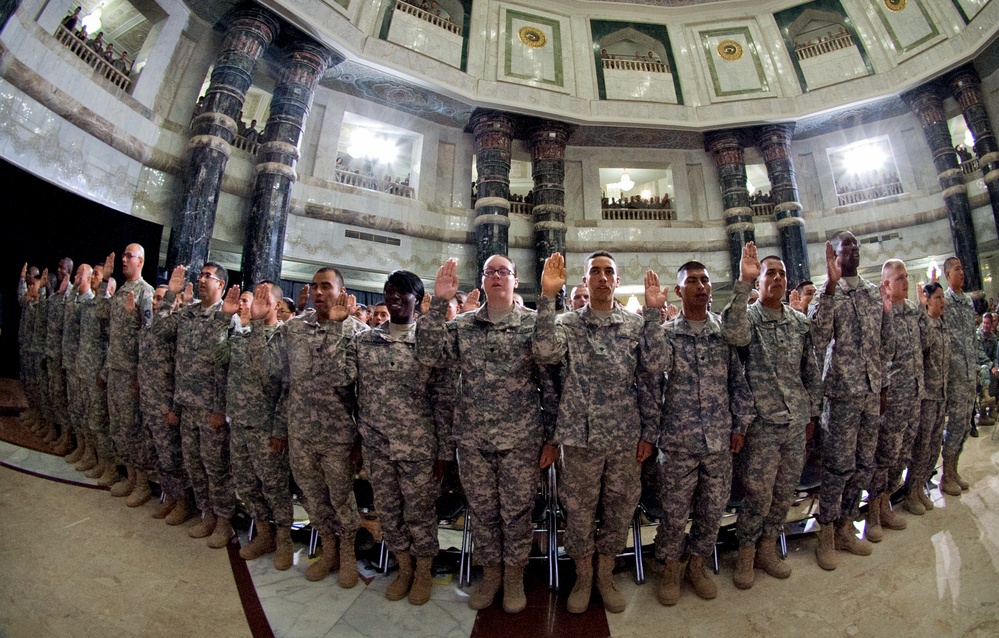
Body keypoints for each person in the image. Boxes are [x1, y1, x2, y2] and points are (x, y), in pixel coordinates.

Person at [417, 256, 552, 614]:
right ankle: (491, 573)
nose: (496, 277)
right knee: (483, 512)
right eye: (490, 272)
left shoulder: (533, 324)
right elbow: (429, 355)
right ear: (482, 280)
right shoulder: (463, 326)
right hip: (473, 439)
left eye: (503, 272)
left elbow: (548, 384)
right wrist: (441, 303)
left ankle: (513, 577)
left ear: (515, 281)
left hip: (521, 439)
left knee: (516, 513)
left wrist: (552, 437)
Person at [533, 251, 658, 614]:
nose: (602, 278)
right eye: (595, 272)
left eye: (609, 272)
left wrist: (649, 432)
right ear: (585, 281)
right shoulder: (567, 323)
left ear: (617, 281)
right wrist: (545, 297)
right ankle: (584, 576)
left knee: (620, 510)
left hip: (624, 439)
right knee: (579, 513)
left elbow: (650, 379)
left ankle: (605, 574)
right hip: (580, 439)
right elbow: (544, 353)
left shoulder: (634, 327)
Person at [641, 244, 755, 606]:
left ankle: (697, 565)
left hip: (719, 439)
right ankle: (671, 568)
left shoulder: (723, 332)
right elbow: (655, 367)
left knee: (712, 510)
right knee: (675, 513)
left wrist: (740, 424)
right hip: (678, 443)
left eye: (705, 280)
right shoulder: (669, 333)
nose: (701, 286)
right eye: (692, 281)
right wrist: (651, 314)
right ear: (679, 291)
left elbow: (737, 380)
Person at [325, 271, 447, 605]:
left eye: (403, 293)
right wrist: (338, 327)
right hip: (377, 446)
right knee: (390, 514)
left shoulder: (429, 339)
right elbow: (339, 377)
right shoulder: (366, 340)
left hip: (418, 447)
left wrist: (444, 451)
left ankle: (423, 572)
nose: (394, 298)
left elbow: (444, 397)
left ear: (418, 300)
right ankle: (404, 569)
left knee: (419, 514)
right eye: (389, 292)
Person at [259, 267, 369, 586]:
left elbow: (362, 394)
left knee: (341, 499)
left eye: (327, 286)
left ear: (342, 293)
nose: (319, 292)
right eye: (314, 286)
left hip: (338, 438)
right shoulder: (294, 329)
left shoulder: (358, 333)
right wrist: (280, 428)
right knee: (312, 498)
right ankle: (329, 550)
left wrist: (361, 441)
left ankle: (347, 555)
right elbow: (278, 379)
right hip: (301, 434)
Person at [732, 256, 820, 589]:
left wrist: (812, 412)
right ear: (760, 282)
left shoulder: (799, 322)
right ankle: (746, 554)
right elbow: (731, 332)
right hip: (763, 425)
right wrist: (743, 283)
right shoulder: (748, 320)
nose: (778, 279)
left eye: (783, 274)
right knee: (757, 494)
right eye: (771, 274)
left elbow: (809, 370)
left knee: (784, 493)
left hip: (796, 422)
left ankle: (768, 549)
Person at [808, 231, 893, 569]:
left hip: (871, 394)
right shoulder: (827, 292)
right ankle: (825, 533)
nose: (853, 252)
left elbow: (885, 346)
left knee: (863, 465)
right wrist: (829, 287)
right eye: (846, 248)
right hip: (842, 395)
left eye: (856, 246)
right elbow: (818, 336)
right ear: (835, 255)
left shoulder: (874, 294)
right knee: (837, 467)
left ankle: (846, 526)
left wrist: (883, 386)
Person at [159, 263, 239, 548]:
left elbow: (230, 369)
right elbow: (161, 332)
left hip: (211, 409)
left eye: (209, 276)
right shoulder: (187, 313)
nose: (202, 280)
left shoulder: (228, 318)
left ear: (221, 285)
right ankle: (205, 513)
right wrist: (171, 295)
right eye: (201, 275)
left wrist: (222, 409)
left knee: (216, 467)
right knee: (193, 464)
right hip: (186, 403)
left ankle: (224, 521)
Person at [220, 282, 294, 570]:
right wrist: (223, 318)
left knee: (274, 486)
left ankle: (284, 539)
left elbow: (274, 379)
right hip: (239, 421)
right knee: (247, 484)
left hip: (266, 427)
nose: (254, 304)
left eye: (264, 299)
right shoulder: (243, 336)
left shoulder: (284, 337)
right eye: (255, 298)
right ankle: (264, 534)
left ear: (276, 305)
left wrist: (279, 429)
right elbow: (217, 359)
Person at [866, 260, 926, 542]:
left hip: (914, 394)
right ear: (886, 285)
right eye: (898, 278)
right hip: (892, 399)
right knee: (884, 458)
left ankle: (887, 503)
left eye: (905, 277)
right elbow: (878, 357)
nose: (904, 281)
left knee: (901, 456)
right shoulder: (879, 314)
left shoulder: (913, 310)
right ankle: (873, 515)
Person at [97, 247, 155, 504]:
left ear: (140, 261)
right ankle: (130, 477)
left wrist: (139, 377)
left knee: (133, 431)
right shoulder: (120, 291)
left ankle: (142, 484)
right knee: (119, 428)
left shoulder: (146, 291)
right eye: (123, 256)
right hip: (115, 369)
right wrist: (103, 283)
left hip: (131, 373)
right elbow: (101, 315)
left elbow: (150, 335)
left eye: (128, 256)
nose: (123, 259)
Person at [140, 284, 191, 524]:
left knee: (172, 458)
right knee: (158, 455)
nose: (156, 303)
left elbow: (180, 372)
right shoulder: (150, 328)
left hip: (166, 404)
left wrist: (174, 407)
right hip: (149, 402)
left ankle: (182, 502)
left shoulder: (176, 328)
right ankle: (168, 497)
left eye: (162, 299)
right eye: (156, 300)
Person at [905, 281, 949, 514]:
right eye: (938, 298)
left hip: (941, 393)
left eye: (943, 298)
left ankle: (921, 485)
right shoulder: (925, 325)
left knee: (934, 445)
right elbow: (922, 346)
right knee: (921, 446)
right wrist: (923, 312)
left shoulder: (942, 324)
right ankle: (911, 491)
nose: (942, 302)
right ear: (927, 300)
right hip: (927, 395)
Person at [940, 257, 979, 496]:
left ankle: (954, 470)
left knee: (965, 424)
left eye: (963, 268)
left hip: (968, 372)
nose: (962, 273)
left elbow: (971, 339)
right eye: (957, 269)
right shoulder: (944, 301)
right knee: (954, 425)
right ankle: (946, 474)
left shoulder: (966, 302)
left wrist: (974, 370)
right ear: (947, 275)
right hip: (953, 375)